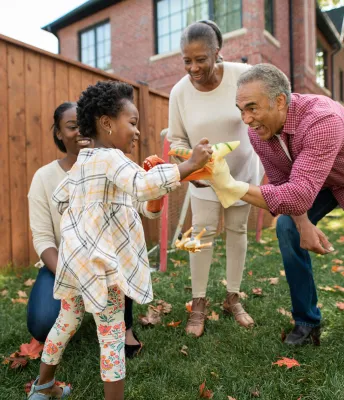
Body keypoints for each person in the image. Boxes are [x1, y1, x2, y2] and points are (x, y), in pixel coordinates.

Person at [28, 81, 212, 400]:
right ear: (107, 123)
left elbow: (61, 198)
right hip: (102, 269)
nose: (137, 132)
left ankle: (42, 387)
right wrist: (189, 166)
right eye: (133, 122)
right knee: (112, 338)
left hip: (74, 266)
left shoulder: (84, 162)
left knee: (65, 322)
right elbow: (142, 186)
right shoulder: (112, 160)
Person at [210, 63, 344, 345]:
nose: (246, 119)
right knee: (287, 227)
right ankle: (306, 320)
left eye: (252, 108)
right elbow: (282, 185)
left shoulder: (323, 118)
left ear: (280, 101)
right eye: (241, 110)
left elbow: (297, 195)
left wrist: (232, 187)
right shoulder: (258, 133)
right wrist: (303, 223)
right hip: (321, 183)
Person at [167, 20, 261, 338]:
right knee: (202, 237)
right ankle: (199, 304)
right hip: (204, 179)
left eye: (200, 59)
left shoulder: (240, 77)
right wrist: (191, 165)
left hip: (242, 174)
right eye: (187, 60)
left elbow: (259, 113)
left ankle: (232, 298)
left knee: (237, 230)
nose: (193, 67)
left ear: (216, 53)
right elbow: (176, 140)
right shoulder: (179, 92)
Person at [27, 102, 142, 358]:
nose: (80, 131)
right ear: (58, 133)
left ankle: (124, 327)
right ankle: (75, 312)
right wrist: (74, 275)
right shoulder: (44, 177)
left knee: (118, 260)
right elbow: (43, 238)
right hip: (64, 264)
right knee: (42, 323)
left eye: (85, 124)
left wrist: (161, 182)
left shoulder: (114, 166)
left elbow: (142, 206)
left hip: (108, 263)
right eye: (71, 126)